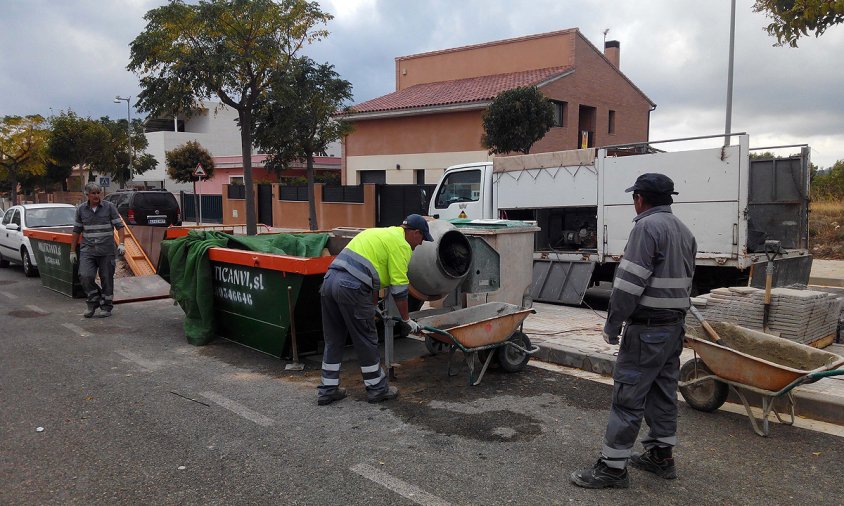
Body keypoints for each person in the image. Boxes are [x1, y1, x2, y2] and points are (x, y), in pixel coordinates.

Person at [571, 173, 697, 489]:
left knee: (628, 397)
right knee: (663, 393)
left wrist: (612, 324)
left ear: (640, 199)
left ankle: (612, 469)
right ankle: (661, 457)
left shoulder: (645, 228)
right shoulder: (685, 231)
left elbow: (628, 285)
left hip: (647, 332)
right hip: (673, 330)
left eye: (634, 198)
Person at [317, 214, 433, 406]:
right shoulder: (401, 245)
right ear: (415, 233)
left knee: (334, 338)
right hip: (351, 287)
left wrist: (371, 307)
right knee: (366, 339)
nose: (420, 244)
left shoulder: (380, 234)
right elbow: (400, 288)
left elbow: (371, 277)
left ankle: (327, 390)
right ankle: (377, 389)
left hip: (329, 282)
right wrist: (406, 320)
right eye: (422, 238)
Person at [70, 183, 125, 318]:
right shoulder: (81, 209)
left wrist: (122, 243)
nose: (96, 196)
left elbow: (120, 226)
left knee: (106, 278)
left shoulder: (109, 207)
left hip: (106, 250)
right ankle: (93, 300)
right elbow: (76, 231)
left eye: (98, 193)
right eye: (93, 193)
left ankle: (106, 306)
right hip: (87, 250)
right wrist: (72, 251)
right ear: (87, 195)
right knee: (85, 275)